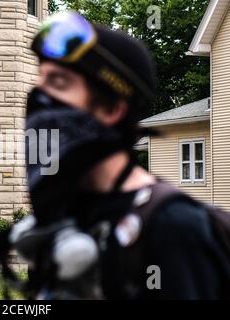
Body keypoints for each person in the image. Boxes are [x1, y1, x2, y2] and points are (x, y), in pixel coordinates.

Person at [19, 11, 229, 299]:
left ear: (111, 108)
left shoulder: (173, 226)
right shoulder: (66, 218)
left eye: (58, 83)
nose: (38, 98)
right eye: (40, 81)